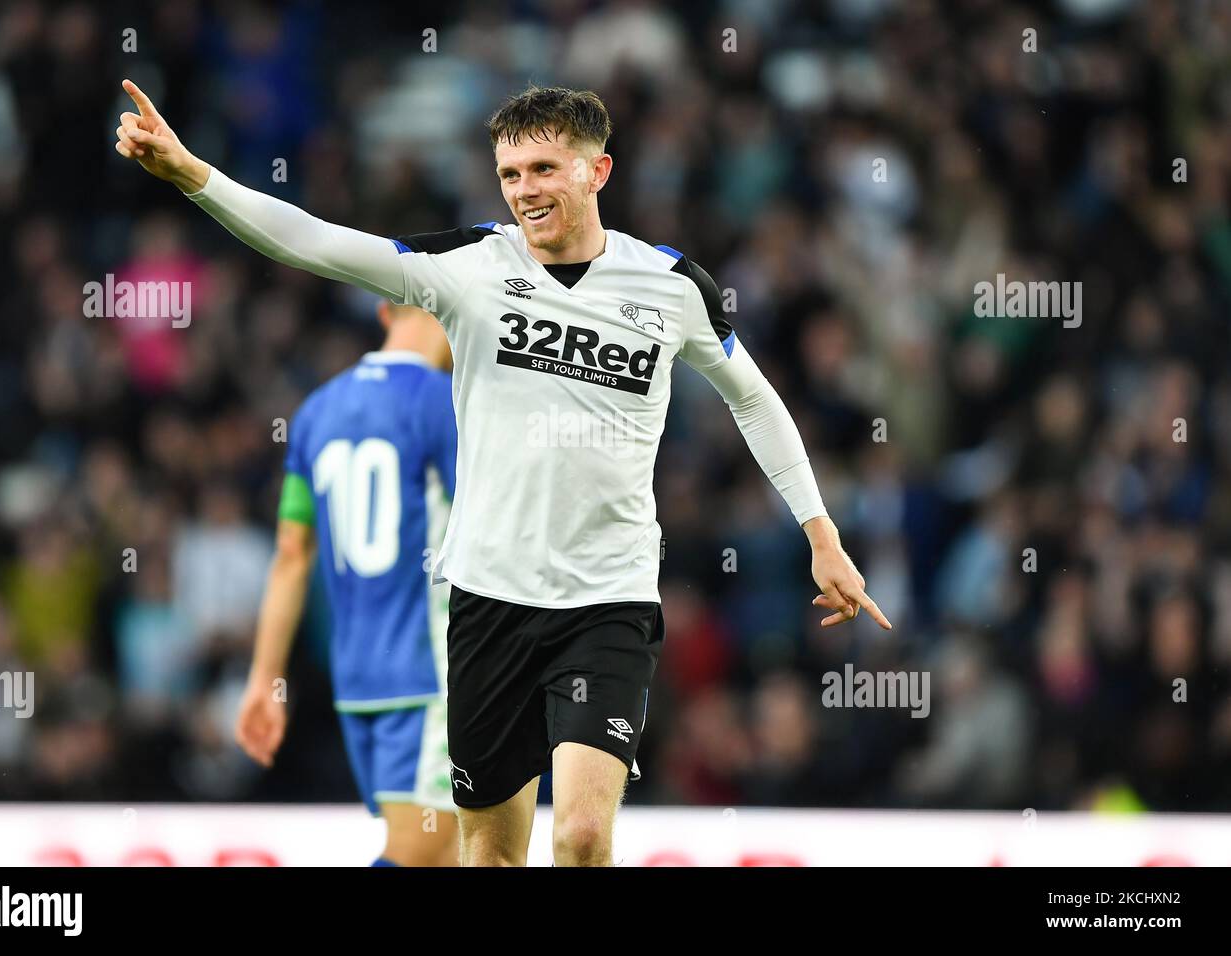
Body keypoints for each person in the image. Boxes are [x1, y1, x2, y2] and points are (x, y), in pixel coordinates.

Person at [116, 79, 890, 867]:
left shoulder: (671, 285)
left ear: (599, 171)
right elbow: (314, 241)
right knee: (490, 855)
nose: (525, 191)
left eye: (545, 170)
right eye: (511, 175)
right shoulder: (469, 267)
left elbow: (755, 402)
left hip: (607, 598)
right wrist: (192, 174)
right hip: (487, 600)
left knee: (583, 837)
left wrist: (820, 534)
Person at [234, 299, 459, 867]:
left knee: (448, 855)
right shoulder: (446, 405)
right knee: (420, 851)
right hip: (434, 675)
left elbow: (291, 553)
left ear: (386, 311)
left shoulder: (315, 411)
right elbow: (494, 529)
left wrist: (264, 679)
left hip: (359, 681)